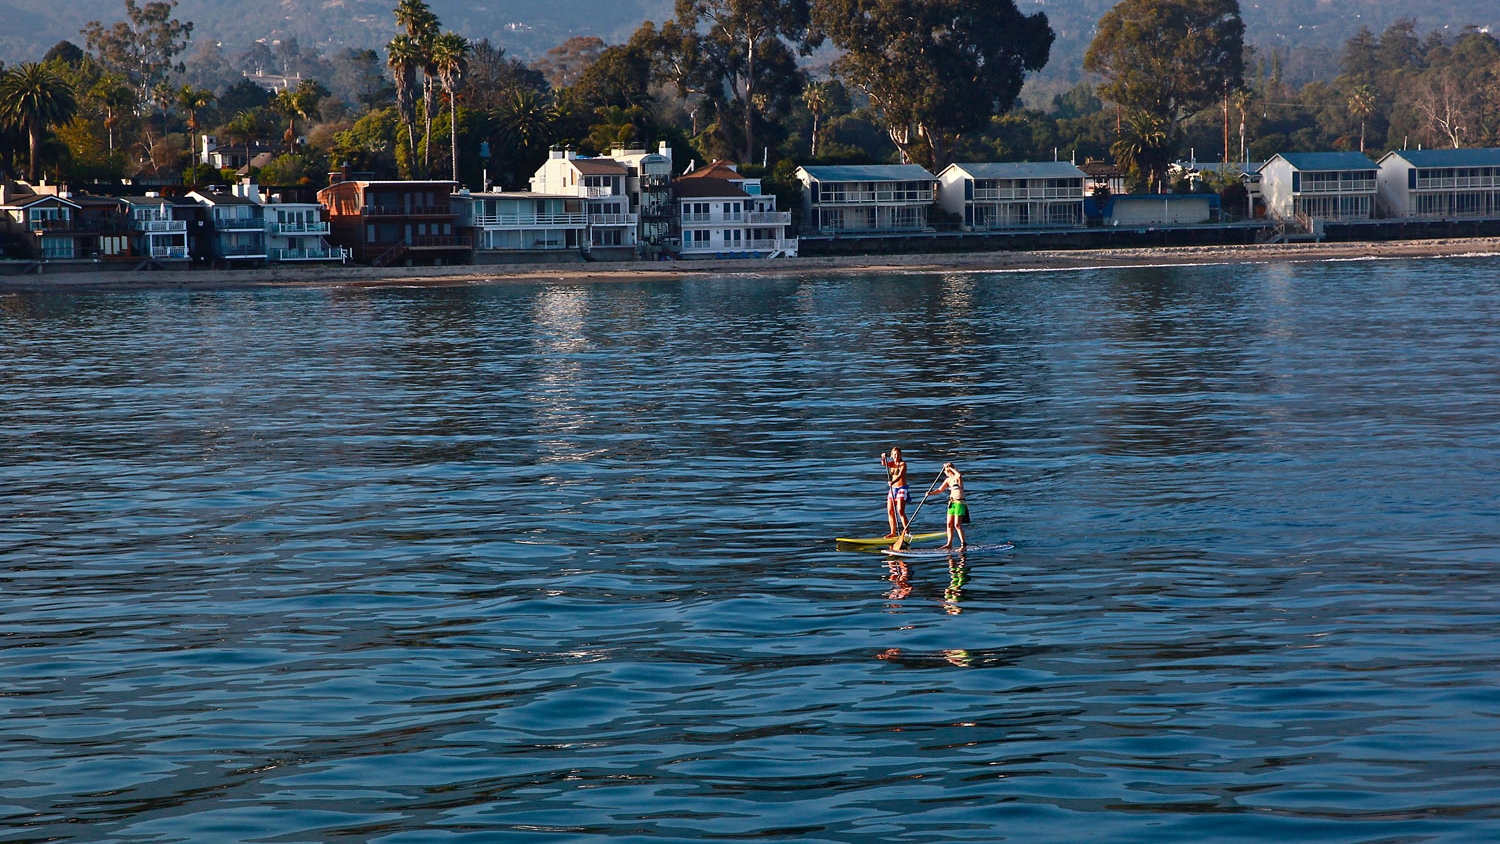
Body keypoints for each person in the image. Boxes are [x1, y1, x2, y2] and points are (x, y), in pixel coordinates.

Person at [934, 462, 968, 549]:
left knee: (957, 525)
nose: (945, 472)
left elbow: (959, 475)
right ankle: (949, 544)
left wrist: (950, 467)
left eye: (945, 470)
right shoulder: (948, 480)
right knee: (949, 524)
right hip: (951, 503)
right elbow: (940, 490)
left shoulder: (957, 478)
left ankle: (963, 544)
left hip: (960, 503)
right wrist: (930, 493)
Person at [880, 447, 909, 538]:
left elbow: (900, 475)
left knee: (900, 511)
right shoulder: (892, 463)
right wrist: (883, 458)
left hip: (902, 488)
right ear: (892, 455)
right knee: (890, 511)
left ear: (900, 455)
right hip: (893, 489)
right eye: (894, 454)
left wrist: (893, 482)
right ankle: (893, 532)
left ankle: (907, 532)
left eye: (898, 454)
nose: (896, 456)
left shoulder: (902, 464)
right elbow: (884, 464)